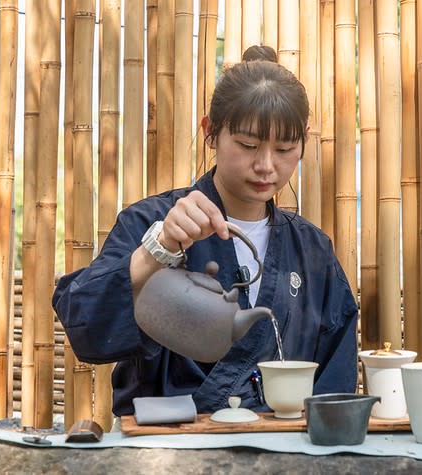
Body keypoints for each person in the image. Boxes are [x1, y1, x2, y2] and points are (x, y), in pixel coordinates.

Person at [52, 46, 358, 416]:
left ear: (304, 142)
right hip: (166, 455)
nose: (265, 165)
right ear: (210, 132)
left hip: (283, 453)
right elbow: (86, 328)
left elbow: (334, 383)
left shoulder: (312, 250)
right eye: (247, 145)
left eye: (284, 148)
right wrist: (157, 250)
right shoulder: (151, 222)